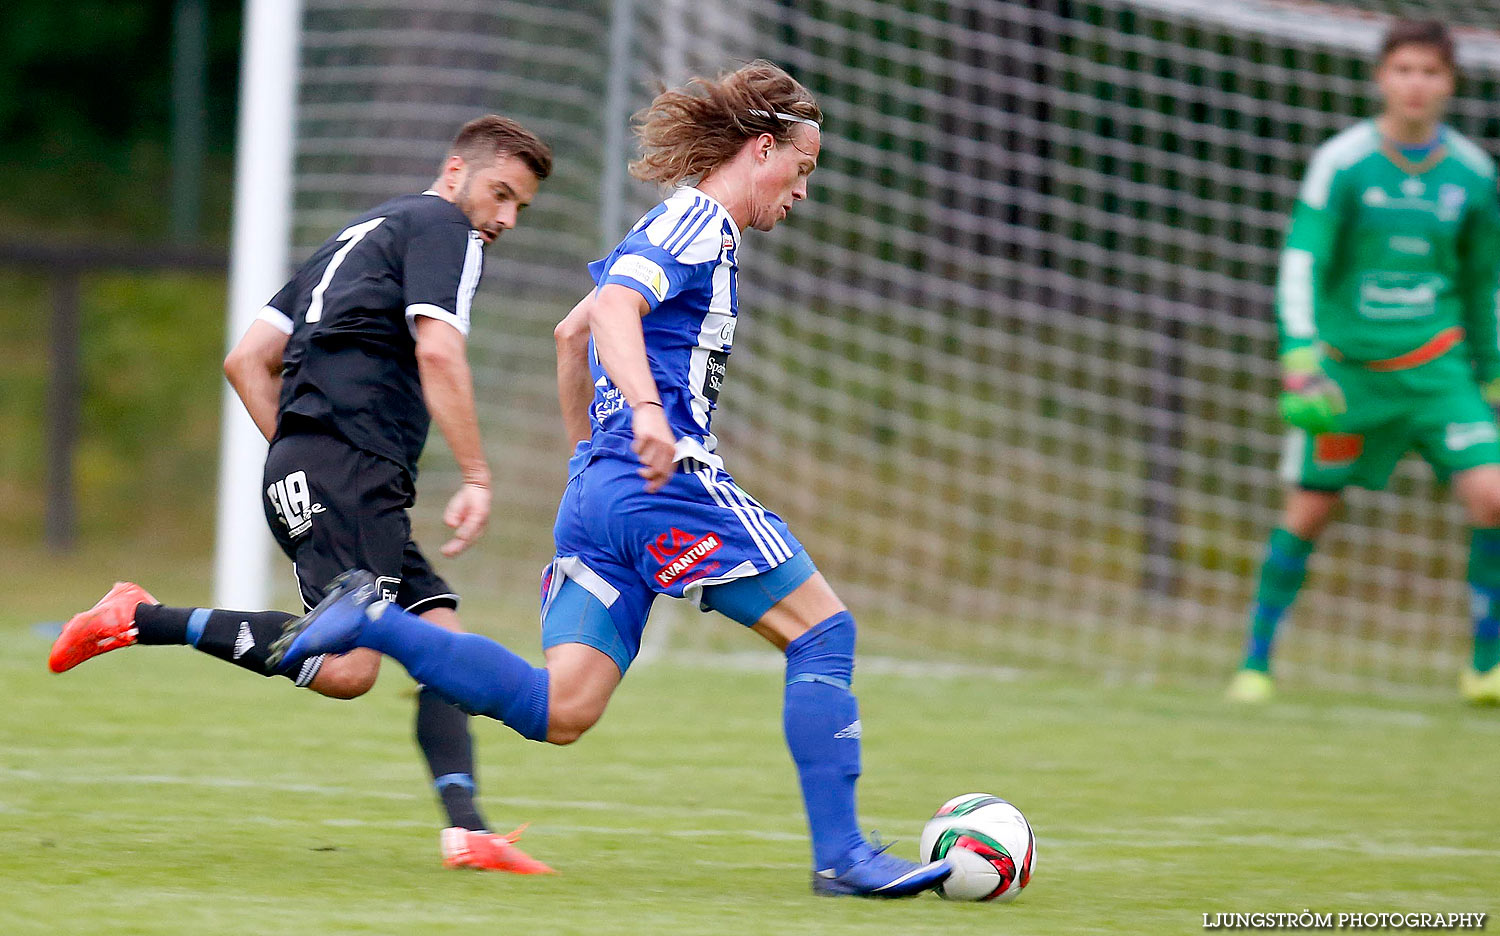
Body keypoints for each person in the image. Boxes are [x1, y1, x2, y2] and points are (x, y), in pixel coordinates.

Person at [266, 60, 952, 898]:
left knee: (563, 710)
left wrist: (589, 459)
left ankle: (375, 622)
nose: (802, 193)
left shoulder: (681, 227)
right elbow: (615, 310)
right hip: (659, 480)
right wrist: (647, 414)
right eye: (802, 170)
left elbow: (570, 332)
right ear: (762, 147)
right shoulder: (700, 220)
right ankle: (842, 856)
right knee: (823, 634)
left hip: (600, 493)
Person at [48, 115, 556, 871]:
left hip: (332, 469)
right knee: (351, 669)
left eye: (520, 207)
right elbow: (439, 350)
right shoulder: (445, 229)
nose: (505, 218)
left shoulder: (359, 235)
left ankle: (468, 828)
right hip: (350, 471)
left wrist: (298, 453)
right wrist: (475, 475)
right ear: (456, 172)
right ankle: (140, 617)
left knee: (439, 637)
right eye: (501, 194)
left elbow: (248, 359)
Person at [1227, 20, 1500, 704]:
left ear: (1451, 84)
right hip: (1346, 373)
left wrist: (1491, 368)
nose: (1417, 84)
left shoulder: (1472, 174)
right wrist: (1299, 350)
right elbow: (1303, 256)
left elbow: (1482, 283)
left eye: (1431, 72)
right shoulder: (1343, 161)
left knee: (1493, 497)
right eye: (1404, 69)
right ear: (1380, 77)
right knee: (1309, 511)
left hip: (1438, 371)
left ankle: (1486, 666)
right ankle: (1255, 663)